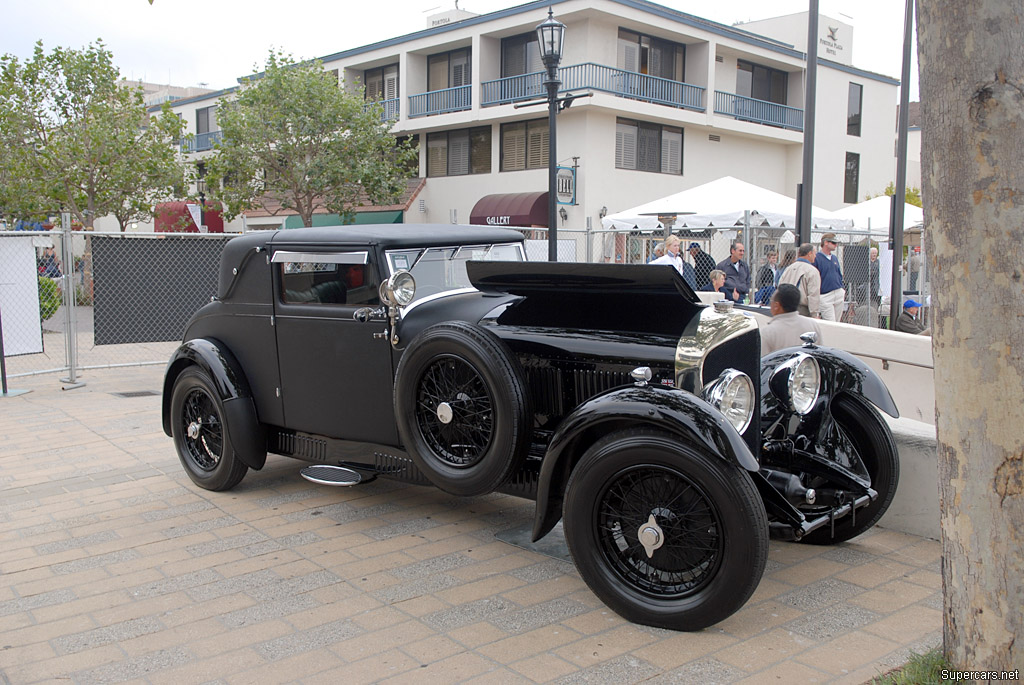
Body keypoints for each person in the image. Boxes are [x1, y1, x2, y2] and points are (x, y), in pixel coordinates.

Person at [760, 283, 824, 355]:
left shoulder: (767, 332)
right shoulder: (813, 325)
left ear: (776, 306)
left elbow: (762, 362)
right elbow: (820, 354)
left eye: (771, 300)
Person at [778, 243, 822, 318]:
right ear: (810, 253)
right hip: (802, 310)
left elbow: (780, 285)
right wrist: (814, 314)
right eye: (814, 253)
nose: (815, 256)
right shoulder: (812, 271)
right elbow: (813, 294)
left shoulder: (789, 268)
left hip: (785, 307)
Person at [814, 232, 845, 321]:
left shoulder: (834, 258)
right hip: (825, 295)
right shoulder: (817, 258)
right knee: (831, 323)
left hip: (838, 292)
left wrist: (842, 289)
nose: (836, 245)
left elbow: (839, 274)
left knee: (837, 323)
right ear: (826, 242)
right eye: (833, 243)